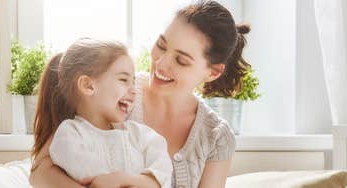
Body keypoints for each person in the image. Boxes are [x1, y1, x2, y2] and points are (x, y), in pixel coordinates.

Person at [30, 1, 251, 187]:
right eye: (161, 45)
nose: (161, 63)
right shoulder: (115, 95)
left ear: (213, 72)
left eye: (181, 60)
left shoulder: (216, 136)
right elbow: (40, 172)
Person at [31, 38, 172, 188]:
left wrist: (130, 180)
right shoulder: (70, 134)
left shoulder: (139, 134)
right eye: (124, 80)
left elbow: (162, 170)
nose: (133, 90)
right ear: (88, 85)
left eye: (133, 82)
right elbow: (98, 180)